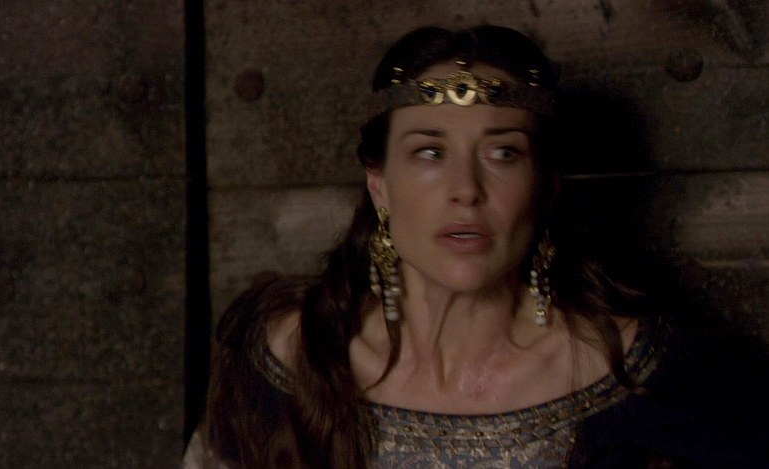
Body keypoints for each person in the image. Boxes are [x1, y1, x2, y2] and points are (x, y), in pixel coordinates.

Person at [184, 25, 769, 468]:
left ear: (546, 185)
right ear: (379, 183)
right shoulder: (290, 355)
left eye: (503, 153)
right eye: (430, 152)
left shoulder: (640, 372)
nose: (466, 189)